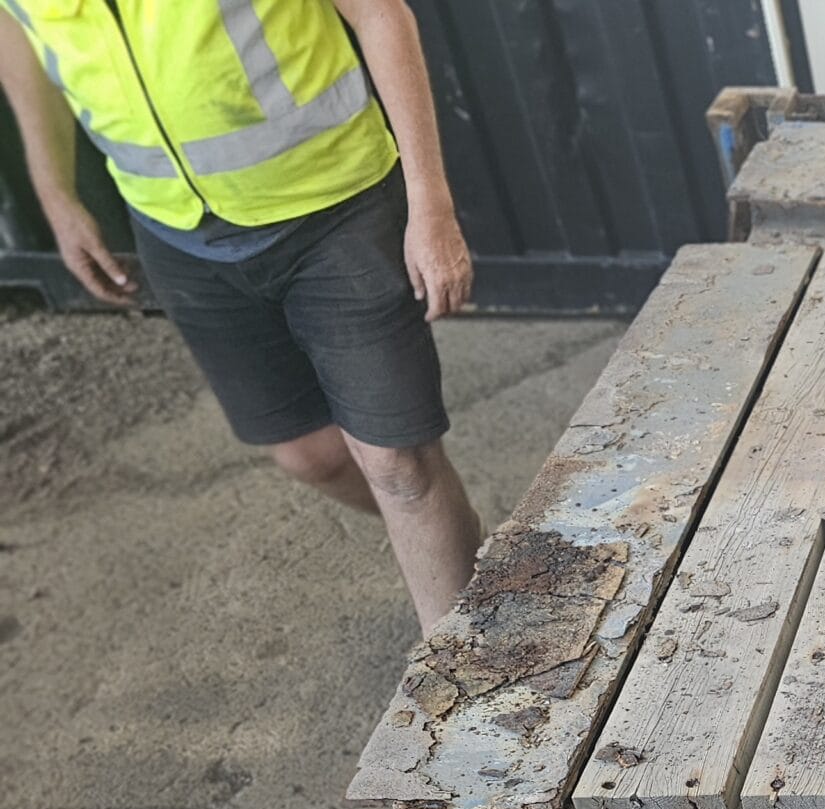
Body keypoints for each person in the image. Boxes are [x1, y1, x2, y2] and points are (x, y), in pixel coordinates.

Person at [0, 0, 481, 630]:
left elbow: (380, 14)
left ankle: (470, 669)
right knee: (311, 457)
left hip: (336, 206)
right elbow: (19, 35)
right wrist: (55, 194)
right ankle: (473, 564)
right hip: (177, 234)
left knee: (399, 466)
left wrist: (431, 206)